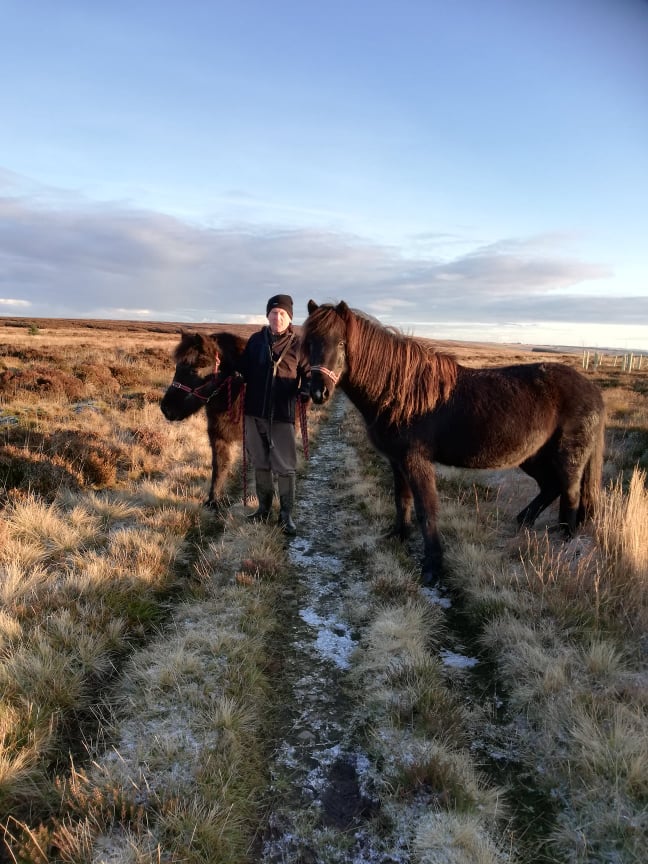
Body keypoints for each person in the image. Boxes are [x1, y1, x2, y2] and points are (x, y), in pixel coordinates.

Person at [238, 294, 310, 535]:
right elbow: (244, 369)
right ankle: (263, 509)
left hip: (281, 414)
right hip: (253, 412)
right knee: (260, 462)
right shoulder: (256, 341)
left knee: (286, 466)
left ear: (289, 317)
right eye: (273, 312)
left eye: (282, 314)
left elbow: (308, 374)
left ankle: (286, 515)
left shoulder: (299, 346)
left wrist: (306, 390)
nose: (277, 317)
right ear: (267, 315)